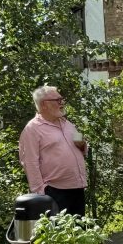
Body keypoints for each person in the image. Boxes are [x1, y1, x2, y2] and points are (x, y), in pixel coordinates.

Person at [19, 85, 87, 215]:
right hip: (54, 191)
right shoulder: (32, 129)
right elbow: (30, 162)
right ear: (44, 105)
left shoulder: (67, 124)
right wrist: (41, 193)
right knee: (59, 233)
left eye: (62, 99)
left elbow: (81, 146)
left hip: (77, 188)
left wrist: (83, 144)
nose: (62, 103)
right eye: (58, 100)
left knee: (79, 231)